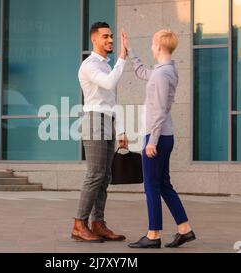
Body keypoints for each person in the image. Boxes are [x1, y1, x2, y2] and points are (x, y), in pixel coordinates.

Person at [124, 29, 196, 248]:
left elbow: (162, 109)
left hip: (157, 136)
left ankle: (153, 235)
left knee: (152, 186)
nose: (151, 47)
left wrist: (151, 141)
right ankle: (184, 229)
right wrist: (130, 52)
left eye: (152, 44)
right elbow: (143, 73)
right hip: (163, 135)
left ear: (159, 46)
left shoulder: (162, 74)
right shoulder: (165, 70)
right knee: (163, 184)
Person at [71, 22, 129, 243]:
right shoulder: (90, 65)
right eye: (105, 36)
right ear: (94, 39)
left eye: (112, 36)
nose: (111, 40)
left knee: (105, 176)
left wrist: (121, 129)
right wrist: (123, 57)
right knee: (95, 174)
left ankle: (98, 223)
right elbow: (109, 82)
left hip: (108, 121)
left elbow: (112, 100)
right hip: (94, 121)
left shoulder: (106, 64)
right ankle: (79, 224)